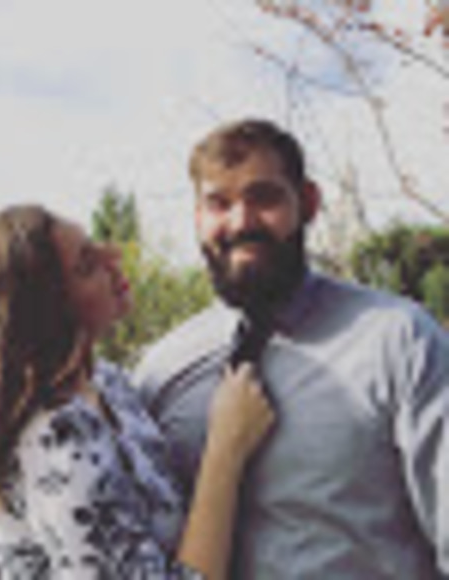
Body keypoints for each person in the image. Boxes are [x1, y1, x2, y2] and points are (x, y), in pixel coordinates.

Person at [133, 119, 449, 579]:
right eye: (219, 203)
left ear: (308, 203)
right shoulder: (160, 371)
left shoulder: (400, 342)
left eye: (264, 197)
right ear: (198, 218)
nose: (241, 222)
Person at [0, 204, 274, 579]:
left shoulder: (105, 381)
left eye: (97, 247)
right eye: (87, 265)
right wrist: (227, 449)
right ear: (48, 311)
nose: (114, 257)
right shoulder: (56, 441)